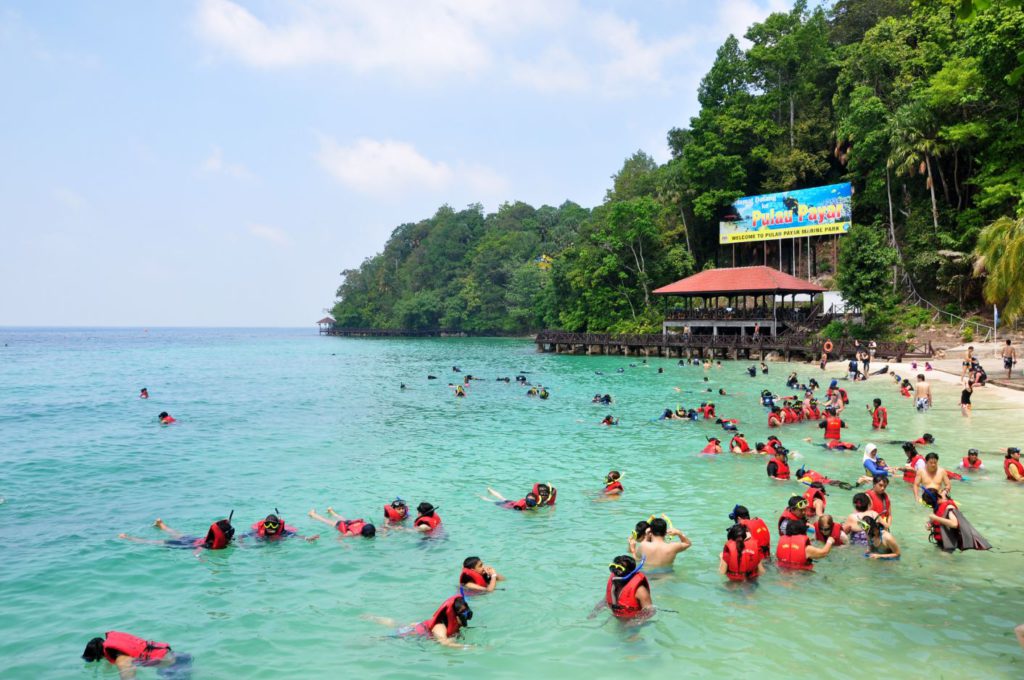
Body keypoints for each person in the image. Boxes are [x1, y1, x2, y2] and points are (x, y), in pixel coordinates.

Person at [82, 631, 192, 679]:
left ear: (100, 656)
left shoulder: (121, 660)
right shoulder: (115, 643)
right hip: (177, 656)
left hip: (173, 667)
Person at [380, 595, 474, 648]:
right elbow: (444, 643)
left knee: (399, 624)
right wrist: (468, 647)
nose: (466, 614)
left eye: (467, 611)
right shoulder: (440, 627)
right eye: (463, 612)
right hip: (414, 633)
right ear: (453, 615)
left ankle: (377, 619)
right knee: (387, 638)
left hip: (422, 626)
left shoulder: (454, 624)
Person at [119, 515, 235, 551]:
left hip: (195, 539)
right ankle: (128, 538)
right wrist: (200, 558)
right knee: (156, 542)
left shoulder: (211, 540)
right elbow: (197, 551)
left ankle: (161, 525)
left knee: (177, 534)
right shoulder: (210, 546)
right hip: (189, 544)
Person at [603, 555, 653, 619]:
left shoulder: (640, 590)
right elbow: (605, 600)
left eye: (620, 569)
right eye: (613, 568)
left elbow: (650, 611)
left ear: (630, 573)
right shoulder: (614, 583)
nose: (615, 573)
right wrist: (595, 611)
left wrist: (633, 623)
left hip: (633, 622)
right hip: (618, 617)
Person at [249, 511, 318, 542]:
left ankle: (291, 524)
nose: (270, 527)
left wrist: (307, 538)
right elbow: (243, 536)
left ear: (277, 526)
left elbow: (296, 536)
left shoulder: (283, 532)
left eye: (273, 525)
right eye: (268, 524)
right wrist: (240, 543)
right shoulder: (258, 531)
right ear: (264, 525)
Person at [308, 508, 377, 537]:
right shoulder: (351, 533)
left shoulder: (372, 530)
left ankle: (331, 511)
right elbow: (340, 537)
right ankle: (312, 514)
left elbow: (379, 530)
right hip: (341, 525)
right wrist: (345, 545)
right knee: (326, 521)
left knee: (341, 518)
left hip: (350, 523)